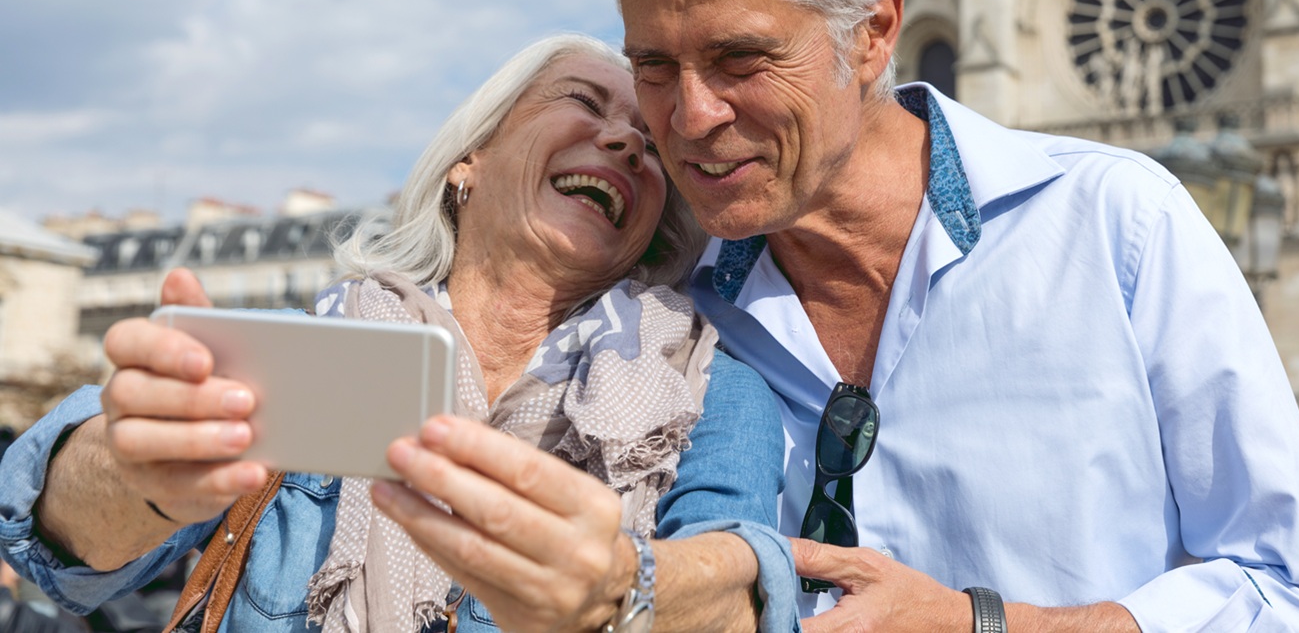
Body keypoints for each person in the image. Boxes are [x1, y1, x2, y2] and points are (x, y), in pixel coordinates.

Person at [604, 0, 1299, 630]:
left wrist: (988, 625)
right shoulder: (672, 307)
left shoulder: (1116, 228)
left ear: (872, 31)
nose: (690, 116)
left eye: (741, 60)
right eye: (653, 67)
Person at [0, 35, 796, 633]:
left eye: (652, 146)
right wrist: (137, 474)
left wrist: (627, 585)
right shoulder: (310, 347)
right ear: (469, 159)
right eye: (586, 105)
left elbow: (740, 585)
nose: (625, 140)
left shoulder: (714, 389)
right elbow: (58, 548)